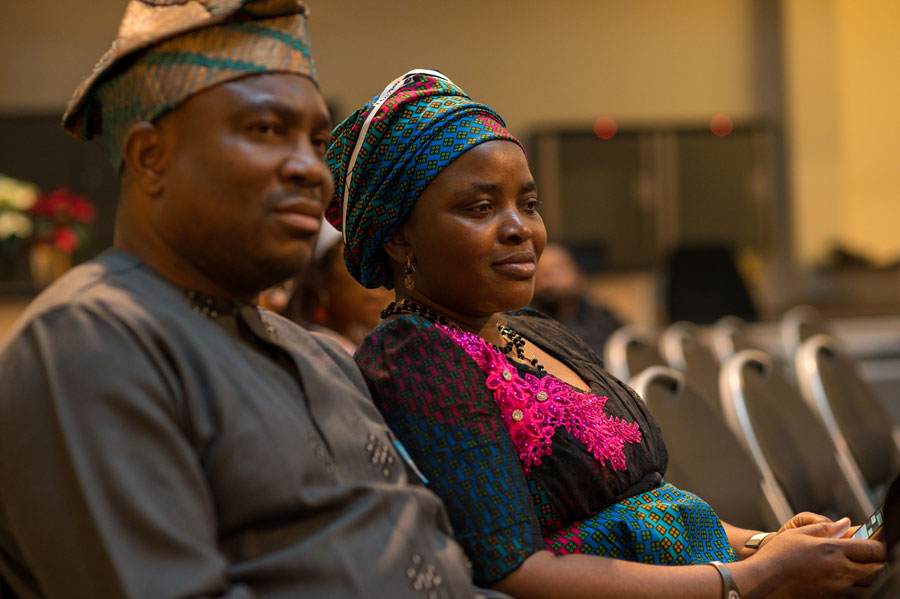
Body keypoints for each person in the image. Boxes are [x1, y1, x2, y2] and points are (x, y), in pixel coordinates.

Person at [325, 69, 886, 599]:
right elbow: (516, 573)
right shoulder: (416, 355)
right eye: (481, 207)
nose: (520, 228)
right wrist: (752, 578)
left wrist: (769, 544)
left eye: (529, 204)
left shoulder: (534, 330)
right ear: (399, 237)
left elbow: (650, 506)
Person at [0, 5, 501, 598]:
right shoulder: (92, 340)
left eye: (316, 142)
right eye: (266, 130)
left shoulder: (321, 355)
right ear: (150, 157)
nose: (312, 171)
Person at [281, 221, 393, 354]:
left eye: (381, 267)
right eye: (363, 266)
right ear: (325, 279)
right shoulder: (312, 347)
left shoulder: (367, 346)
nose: (379, 283)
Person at [531, 242, 623, 355]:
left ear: (579, 275)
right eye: (541, 270)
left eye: (557, 268)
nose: (550, 276)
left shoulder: (602, 319)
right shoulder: (526, 322)